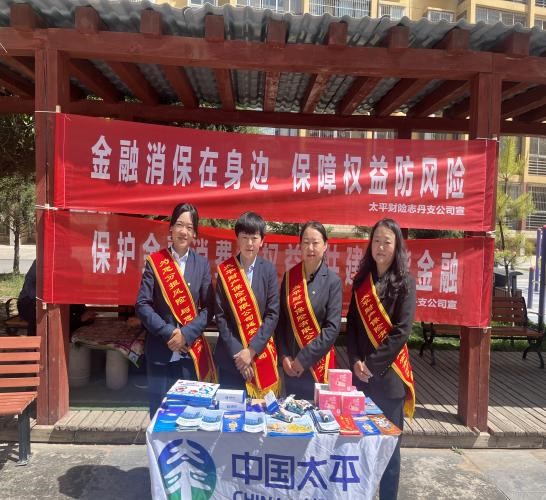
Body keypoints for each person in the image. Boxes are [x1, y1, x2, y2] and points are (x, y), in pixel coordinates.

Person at [346, 218, 416, 500]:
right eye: (376, 241)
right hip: (360, 380)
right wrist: (355, 361)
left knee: (389, 451)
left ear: (396, 246)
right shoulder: (361, 282)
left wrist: (371, 365)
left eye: (387, 242)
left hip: (389, 381)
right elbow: (352, 326)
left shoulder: (405, 283)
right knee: (359, 447)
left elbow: (402, 331)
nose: (381, 247)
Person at [135, 203, 216, 417]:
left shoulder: (201, 264)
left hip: (190, 354)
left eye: (189, 227)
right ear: (171, 228)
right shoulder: (156, 262)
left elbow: (209, 308)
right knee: (160, 415)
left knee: (189, 415)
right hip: (160, 350)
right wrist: (169, 332)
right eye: (179, 225)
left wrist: (186, 334)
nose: (183, 231)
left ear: (195, 234)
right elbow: (142, 304)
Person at [214, 211, 280, 397]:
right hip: (230, 359)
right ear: (237, 239)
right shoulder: (225, 271)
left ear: (262, 241)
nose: (249, 243)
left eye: (254, 238)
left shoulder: (268, 271)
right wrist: (239, 355)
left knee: (259, 412)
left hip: (259, 357)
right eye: (244, 237)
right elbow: (221, 317)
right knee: (230, 411)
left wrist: (251, 351)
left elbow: (272, 314)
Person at [277, 221, 342, 401]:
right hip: (291, 367)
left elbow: (331, 329)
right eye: (306, 242)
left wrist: (303, 360)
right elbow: (281, 322)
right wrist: (284, 357)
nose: (310, 248)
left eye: (315, 242)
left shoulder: (332, 282)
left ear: (325, 245)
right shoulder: (290, 277)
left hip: (317, 366)